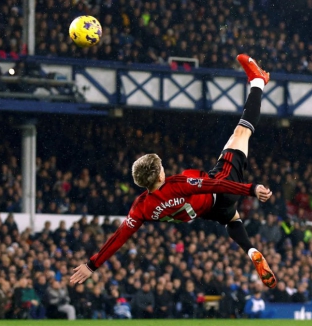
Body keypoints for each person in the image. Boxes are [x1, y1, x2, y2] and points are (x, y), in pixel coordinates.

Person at [70, 54, 277, 289]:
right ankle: (258, 81)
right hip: (221, 187)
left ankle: (250, 250)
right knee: (241, 132)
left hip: (211, 211)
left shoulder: (142, 207)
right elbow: (214, 185)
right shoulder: (178, 183)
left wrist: (92, 264)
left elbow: (119, 237)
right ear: (159, 175)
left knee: (232, 218)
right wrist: (251, 189)